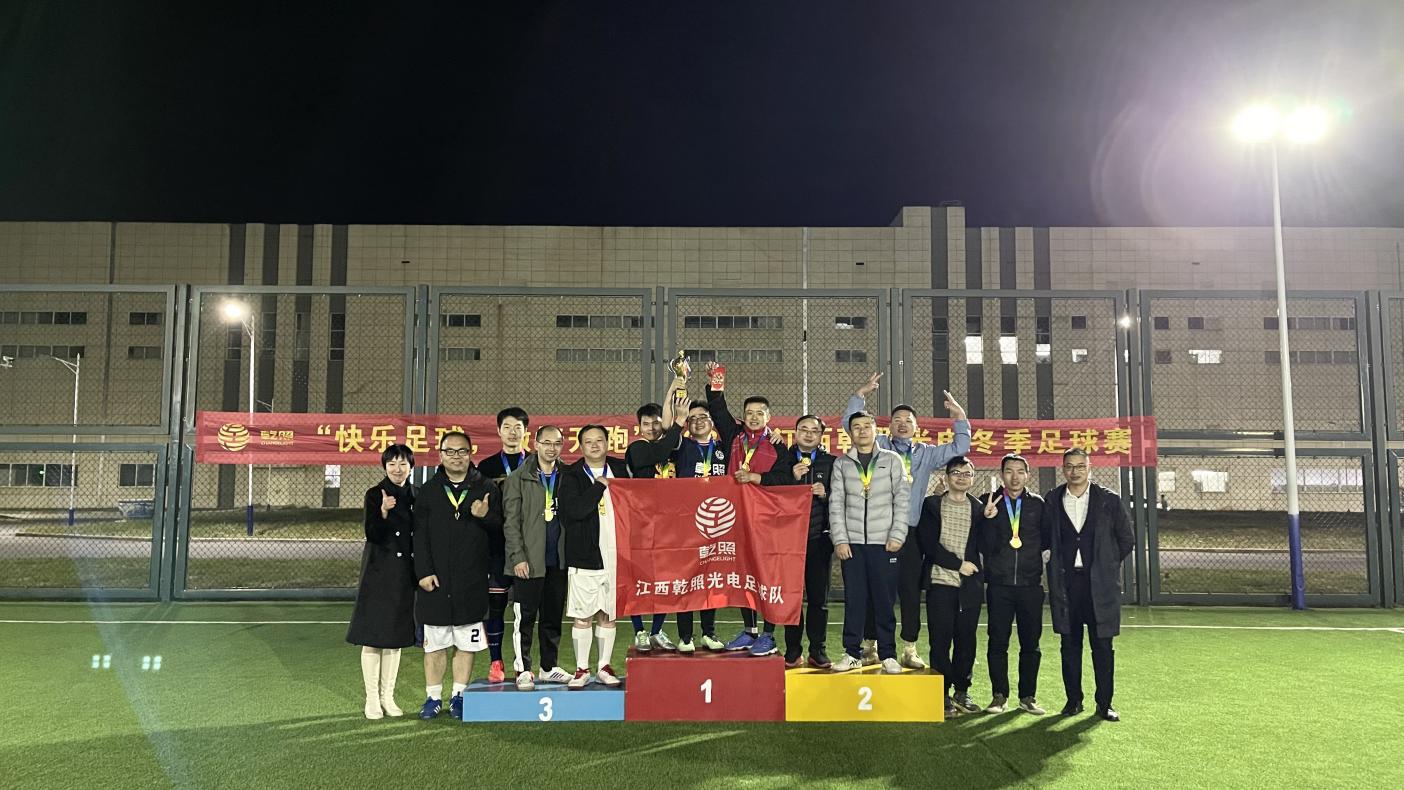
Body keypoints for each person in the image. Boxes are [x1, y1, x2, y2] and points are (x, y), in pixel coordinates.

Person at [844, 372, 970, 669]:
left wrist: (960, 418)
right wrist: (860, 395)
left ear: (916, 427)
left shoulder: (926, 454)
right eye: (897, 420)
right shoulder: (878, 446)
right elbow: (851, 425)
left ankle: (909, 649)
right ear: (889, 426)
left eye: (908, 421)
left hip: (910, 533)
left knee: (910, 591)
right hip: (876, 531)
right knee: (875, 590)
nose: (902, 424)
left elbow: (959, 449)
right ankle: (871, 645)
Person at [412, 431, 502, 720]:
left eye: (462, 451)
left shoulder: (486, 487)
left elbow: (500, 531)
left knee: (466, 643)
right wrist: (423, 572)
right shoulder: (428, 491)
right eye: (449, 451)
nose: (456, 456)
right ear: (440, 454)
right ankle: (433, 698)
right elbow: (419, 537)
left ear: (470, 453)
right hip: (435, 581)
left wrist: (485, 516)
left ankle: (459, 696)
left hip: (471, 580)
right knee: (435, 644)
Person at [704, 362, 788, 656]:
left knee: (767, 577)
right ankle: (750, 632)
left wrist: (755, 477)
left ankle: (769, 635)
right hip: (735, 518)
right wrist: (716, 383)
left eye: (759, 413)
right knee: (743, 575)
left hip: (766, 521)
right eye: (749, 413)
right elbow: (718, 410)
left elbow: (785, 480)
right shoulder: (734, 436)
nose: (753, 417)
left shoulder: (778, 445)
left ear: (768, 417)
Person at [1046, 447, 1135, 722]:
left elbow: (1126, 539)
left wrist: (1106, 564)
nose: (1074, 471)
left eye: (1080, 466)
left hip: (1100, 586)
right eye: (1069, 466)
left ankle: (1104, 704)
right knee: (1069, 645)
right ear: (1063, 469)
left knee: (1103, 647)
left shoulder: (1109, 500)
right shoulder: (1053, 499)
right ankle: (1073, 701)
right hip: (1067, 585)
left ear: (1089, 468)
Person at [828, 410, 911, 674]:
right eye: (857, 427)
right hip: (852, 544)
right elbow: (836, 504)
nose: (862, 430)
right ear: (850, 433)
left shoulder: (892, 460)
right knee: (855, 600)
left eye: (867, 426)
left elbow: (902, 500)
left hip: (884, 543)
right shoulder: (842, 464)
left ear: (876, 430)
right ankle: (852, 653)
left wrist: (897, 535)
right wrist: (840, 539)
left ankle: (888, 654)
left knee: (884, 601)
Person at [347, 444, 418, 719]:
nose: (397, 469)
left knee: (395, 637)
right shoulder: (375, 494)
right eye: (392, 464)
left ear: (411, 466)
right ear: (385, 467)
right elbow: (372, 534)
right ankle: (372, 699)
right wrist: (384, 512)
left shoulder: (416, 495)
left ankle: (388, 697)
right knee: (373, 637)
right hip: (378, 572)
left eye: (403, 464)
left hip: (404, 573)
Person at [759, 415, 835, 668]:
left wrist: (826, 494)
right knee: (791, 597)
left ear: (821, 435)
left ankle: (818, 649)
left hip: (818, 539)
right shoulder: (782, 459)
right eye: (804, 429)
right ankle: (793, 650)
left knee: (818, 599)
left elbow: (842, 498)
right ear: (796, 432)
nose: (809, 434)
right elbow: (768, 492)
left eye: (815, 430)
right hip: (786, 540)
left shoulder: (831, 462)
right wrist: (791, 478)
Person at [560, 424, 632, 688]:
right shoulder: (570, 475)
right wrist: (598, 486)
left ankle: (604, 666)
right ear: (580, 446)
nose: (594, 445)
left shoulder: (621, 469)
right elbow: (575, 511)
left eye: (599, 440)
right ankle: (581, 669)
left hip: (616, 554)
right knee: (583, 617)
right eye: (588, 441)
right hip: (584, 557)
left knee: (608, 615)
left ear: (607, 443)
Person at [502, 425, 574, 690]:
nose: (552, 448)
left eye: (557, 443)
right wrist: (518, 557)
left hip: (558, 560)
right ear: (535, 443)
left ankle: (548, 667)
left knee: (553, 616)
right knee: (525, 618)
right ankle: (523, 669)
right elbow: (511, 522)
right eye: (547, 443)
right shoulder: (519, 478)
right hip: (528, 561)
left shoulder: (568, 476)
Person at [979, 454, 1049, 715]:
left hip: (1030, 585)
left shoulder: (1038, 504)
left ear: (1027, 475)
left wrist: (1035, 563)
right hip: (1000, 585)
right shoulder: (990, 501)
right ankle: (999, 696)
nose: (1015, 476)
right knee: (998, 641)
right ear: (1002, 474)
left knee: (1031, 643)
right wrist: (987, 519)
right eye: (1009, 471)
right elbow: (983, 544)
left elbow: (1046, 539)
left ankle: (1028, 696)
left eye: (1020, 471)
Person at [915, 456, 986, 717]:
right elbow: (928, 544)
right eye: (956, 473)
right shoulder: (932, 505)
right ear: (946, 477)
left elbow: (987, 544)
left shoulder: (979, 509)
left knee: (966, 641)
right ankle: (941, 694)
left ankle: (962, 691)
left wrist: (990, 520)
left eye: (967, 474)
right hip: (940, 582)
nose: (961, 477)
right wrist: (958, 564)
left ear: (972, 478)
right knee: (940, 641)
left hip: (969, 587)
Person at [622, 394, 690, 652]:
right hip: (641, 523)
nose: (651, 428)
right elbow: (659, 452)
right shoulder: (638, 448)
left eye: (656, 422)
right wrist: (678, 423)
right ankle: (639, 630)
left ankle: (656, 630)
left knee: (666, 577)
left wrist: (676, 393)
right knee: (638, 578)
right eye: (646, 423)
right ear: (639, 426)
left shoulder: (673, 446)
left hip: (670, 525)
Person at [474, 406, 530, 684]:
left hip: (528, 549)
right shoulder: (485, 468)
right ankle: (495, 661)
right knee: (495, 607)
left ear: (526, 432)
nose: (512, 432)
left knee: (524, 610)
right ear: (498, 431)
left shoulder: (535, 463)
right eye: (507, 427)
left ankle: (523, 664)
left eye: (518, 427)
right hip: (496, 548)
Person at [669, 400, 729, 653]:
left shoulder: (725, 448)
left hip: (716, 523)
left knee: (711, 579)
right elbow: (666, 439)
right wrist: (677, 417)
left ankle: (708, 632)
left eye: (703, 416)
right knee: (686, 580)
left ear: (712, 421)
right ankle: (685, 636)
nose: (698, 422)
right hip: (686, 524)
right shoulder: (682, 446)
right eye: (692, 419)